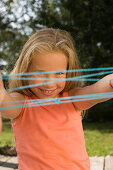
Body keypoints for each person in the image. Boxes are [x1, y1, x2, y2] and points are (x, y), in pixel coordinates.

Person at [0, 28, 113, 170]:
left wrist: (110, 84)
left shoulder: (73, 99)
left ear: (68, 71)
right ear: (26, 70)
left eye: (59, 73)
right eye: (40, 74)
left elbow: (98, 90)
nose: (49, 83)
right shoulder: (21, 102)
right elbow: (5, 105)